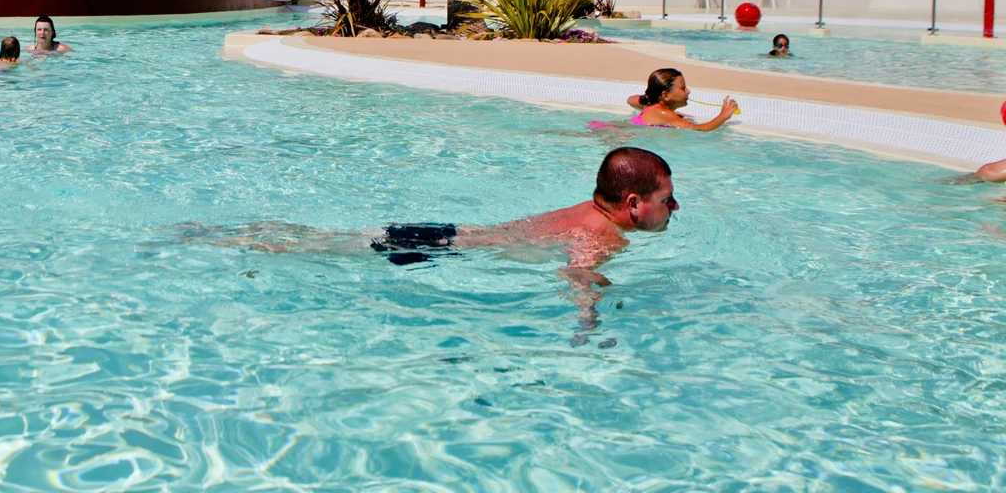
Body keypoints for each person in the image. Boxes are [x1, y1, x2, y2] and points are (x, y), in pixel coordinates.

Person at [223, 147, 679, 337]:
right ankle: (249, 240)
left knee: (330, 241)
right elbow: (577, 269)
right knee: (317, 249)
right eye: (667, 199)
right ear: (634, 203)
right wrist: (588, 318)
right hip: (440, 250)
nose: (674, 208)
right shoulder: (603, 233)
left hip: (449, 234)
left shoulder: (586, 210)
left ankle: (252, 233)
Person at [621, 67, 737, 131]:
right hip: (620, 134)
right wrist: (723, 116)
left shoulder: (649, 105)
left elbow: (630, 100)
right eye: (683, 88)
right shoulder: (664, 113)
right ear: (665, 95)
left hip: (619, 129)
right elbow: (699, 129)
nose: (688, 91)